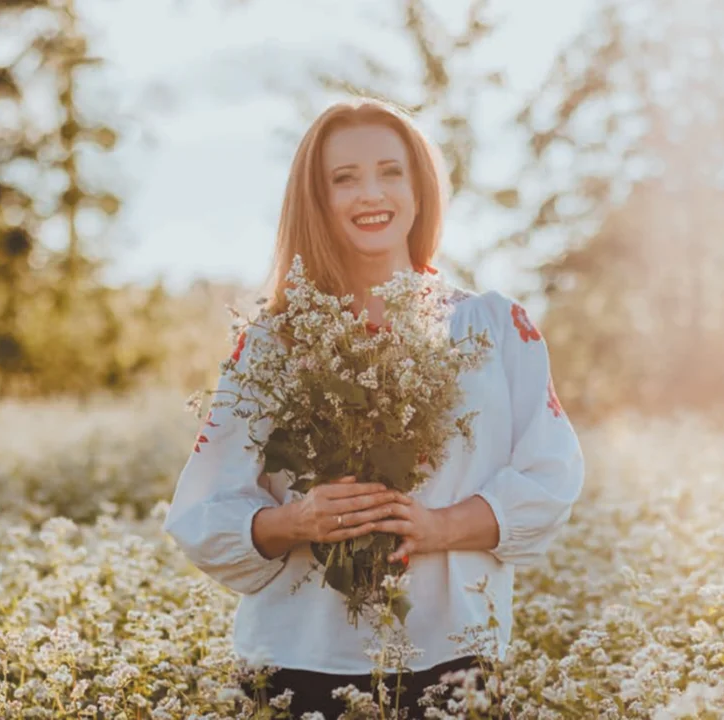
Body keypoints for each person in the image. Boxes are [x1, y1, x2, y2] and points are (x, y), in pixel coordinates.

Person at [162, 96, 585, 718]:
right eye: (344, 178)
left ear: (420, 189)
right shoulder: (270, 343)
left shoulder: (496, 326)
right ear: (318, 199)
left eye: (391, 171)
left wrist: (439, 526)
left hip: (454, 655)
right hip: (297, 662)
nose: (371, 193)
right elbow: (201, 510)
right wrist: (297, 521)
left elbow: (552, 479)